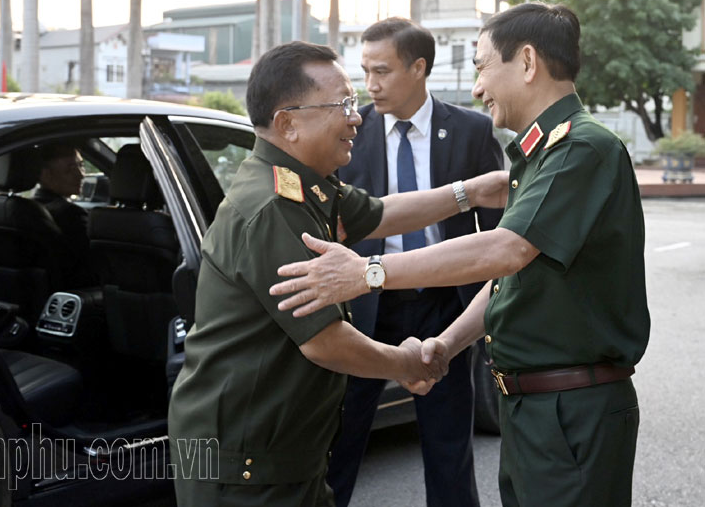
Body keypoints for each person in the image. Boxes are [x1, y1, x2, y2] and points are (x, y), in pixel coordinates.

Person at [270, 3, 650, 507]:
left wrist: (368, 272)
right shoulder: (540, 156)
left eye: (481, 66)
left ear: (529, 63)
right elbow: (509, 280)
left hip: (570, 408)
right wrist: (446, 345)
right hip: (537, 406)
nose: (476, 87)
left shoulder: (580, 149)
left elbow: (504, 249)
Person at [167, 41, 507, 507]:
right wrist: (406, 363)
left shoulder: (306, 182)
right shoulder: (273, 208)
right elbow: (324, 340)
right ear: (288, 122)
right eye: (342, 104)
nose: (357, 116)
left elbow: (381, 213)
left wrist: (474, 191)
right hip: (244, 463)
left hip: (276, 452)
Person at [327, 18, 504, 507]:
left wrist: (486, 312)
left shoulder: (470, 130)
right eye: (365, 71)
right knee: (340, 448)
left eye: (382, 71)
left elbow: (496, 235)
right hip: (363, 308)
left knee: (448, 452)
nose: (371, 84)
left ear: (419, 67)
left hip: (443, 306)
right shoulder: (350, 132)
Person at [33, 141, 95, 283]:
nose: (81, 175)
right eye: (70, 169)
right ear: (46, 175)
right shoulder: (70, 215)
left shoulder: (24, 209)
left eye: (81, 165)